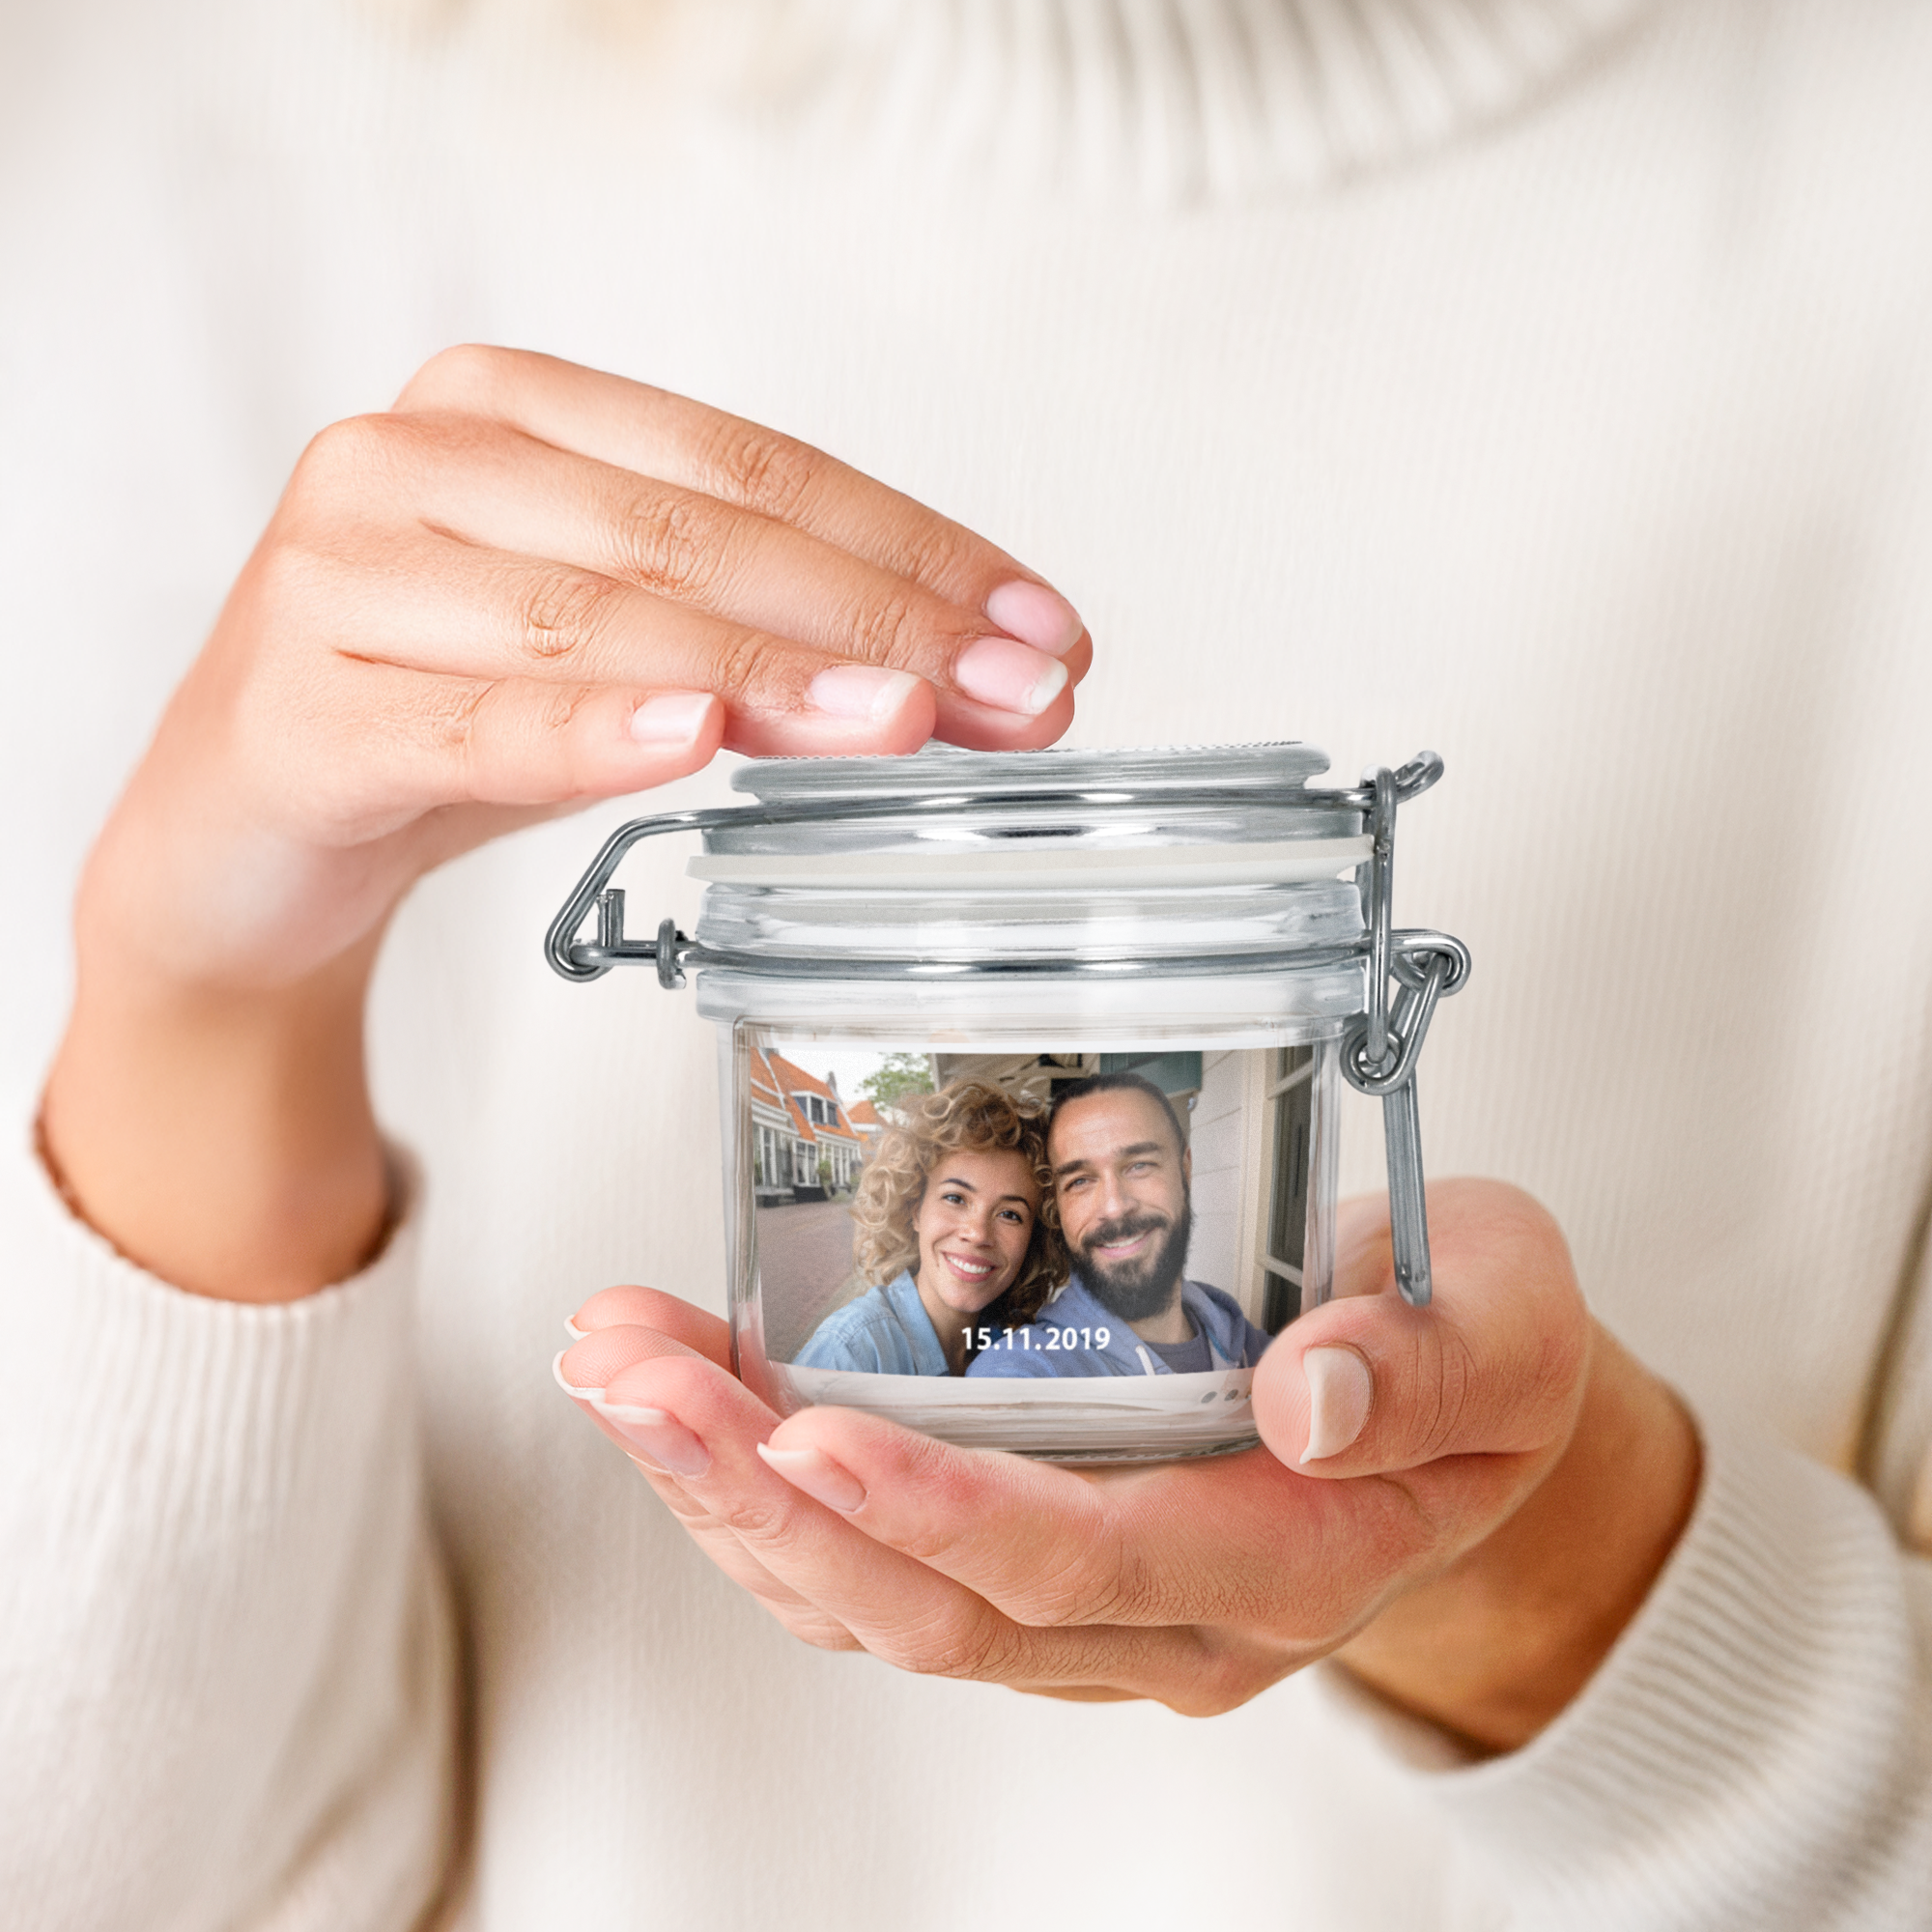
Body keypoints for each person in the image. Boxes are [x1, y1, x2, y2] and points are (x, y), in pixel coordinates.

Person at [6, 6, 1932, 1929]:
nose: (1030, 1235)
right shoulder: (197, 148)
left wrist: (1548, 1577)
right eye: (1017, 1196)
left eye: (1077, 1193)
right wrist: (189, 986)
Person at [966, 1071, 1271, 1378]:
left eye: (1139, 1165)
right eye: (1080, 1181)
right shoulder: (1027, 1368)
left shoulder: (1246, 1342)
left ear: (1185, 1171)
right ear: (1057, 1205)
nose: (1114, 1207)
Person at [792, 1079, 1064, 1377]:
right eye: (955, 1198)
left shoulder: (1016, 1346)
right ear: (914, 1209)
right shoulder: (851, 1353)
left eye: (1010, 1214)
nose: (978, 1233)